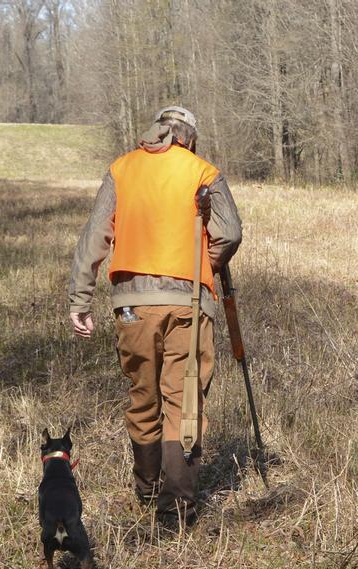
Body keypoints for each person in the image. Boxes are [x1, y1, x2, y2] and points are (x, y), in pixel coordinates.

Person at [68, 106, 242, 525]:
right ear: (190, 138)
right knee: (182, 401)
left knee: (142, 395)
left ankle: (146, 489)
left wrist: (80, 299)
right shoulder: (203, 171)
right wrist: (207, 264)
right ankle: (177, 507)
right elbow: (230, 232)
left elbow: (95, 235)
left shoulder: (122, 168)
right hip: (188, 302)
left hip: (130, 304)